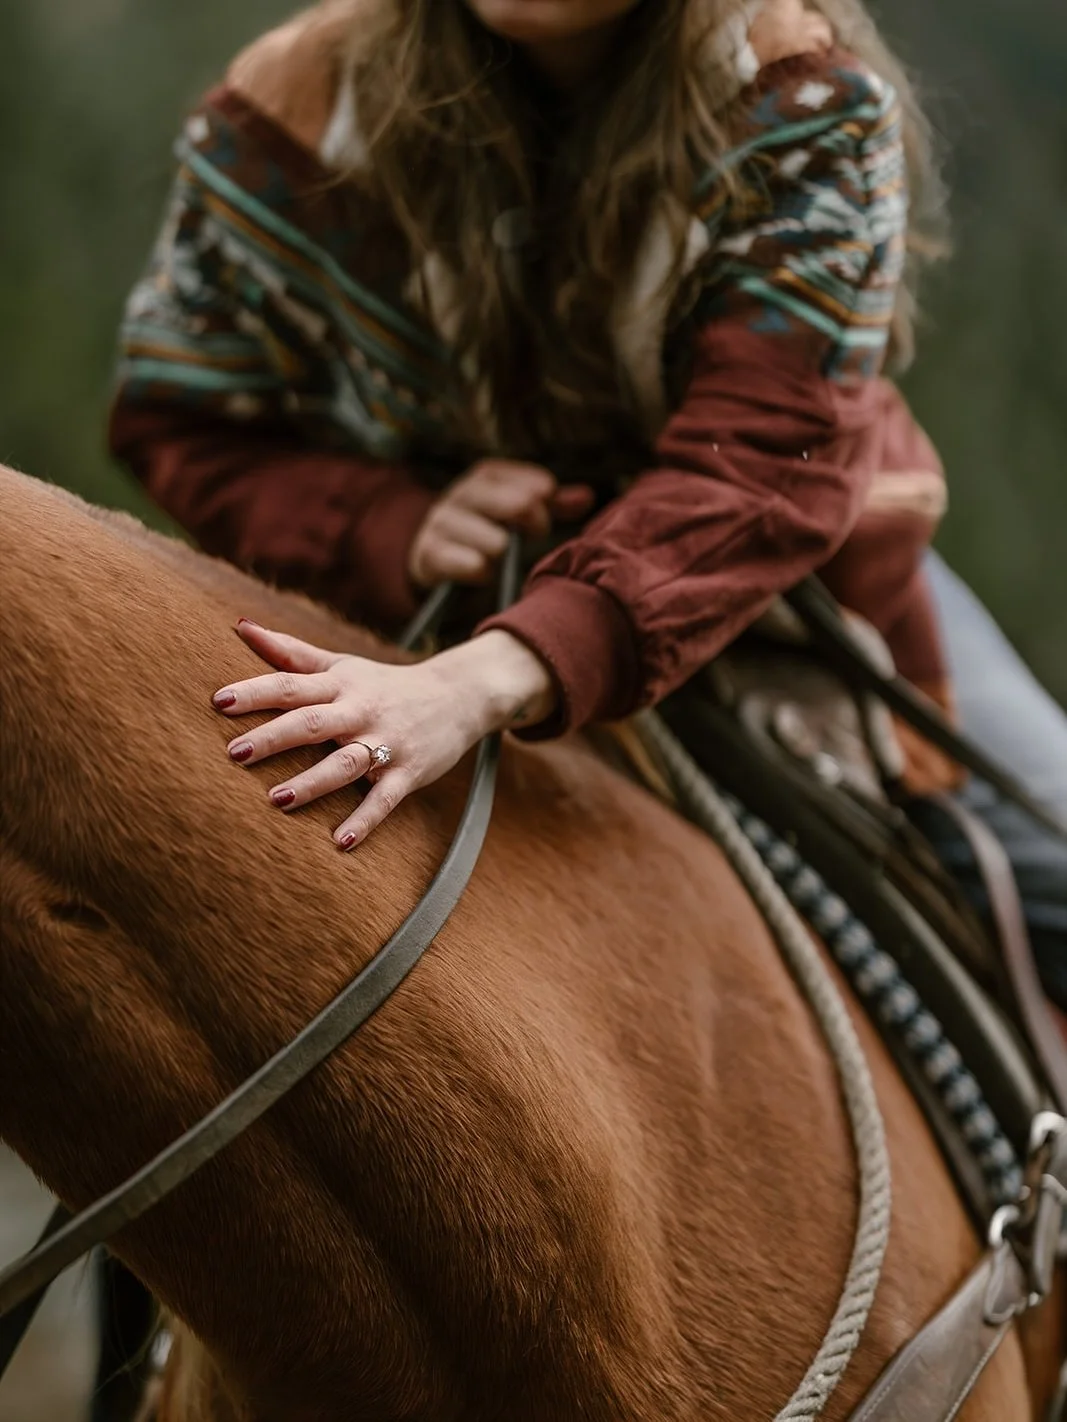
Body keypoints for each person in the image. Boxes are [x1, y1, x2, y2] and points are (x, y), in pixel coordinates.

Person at [110, 0, 1064, 995]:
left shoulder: (800, 97)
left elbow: (761, 465)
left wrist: (476, 683)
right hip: (426, 594)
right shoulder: (293, 109)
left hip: (785, 595)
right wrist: (384, 524)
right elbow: (180, 415)